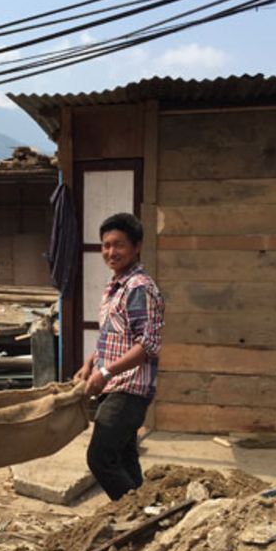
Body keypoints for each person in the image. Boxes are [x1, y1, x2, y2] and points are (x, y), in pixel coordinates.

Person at [75, 213, 164, 501]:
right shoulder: (115, 286)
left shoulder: (139, 288)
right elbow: (113, 336)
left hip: (129, 388)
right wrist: (90, 364)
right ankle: (144, 512)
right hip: (114, 384)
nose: (110, 252)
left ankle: (134, 514)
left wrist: (106, 372)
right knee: (124, 458)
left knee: (100, 459)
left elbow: (148, 345)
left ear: (136, 246)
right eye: (105, 245)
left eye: (119, 245)